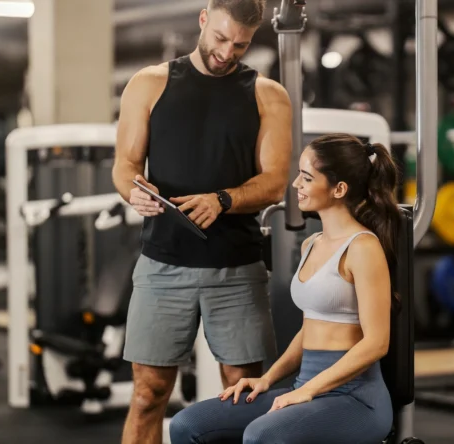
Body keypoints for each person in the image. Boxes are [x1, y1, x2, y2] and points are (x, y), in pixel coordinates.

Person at [111, 1, 292, 443]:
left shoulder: (267, 94)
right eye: (221, 39)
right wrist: (133, 190)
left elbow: (274, 183)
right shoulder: (149, 84)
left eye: (241, 45)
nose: (228, 52)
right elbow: (125, 165)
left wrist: (223, 200)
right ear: (203, 19)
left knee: (242, 397)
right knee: (148, 394)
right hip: (162, 264)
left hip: (237, 268)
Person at [168, 133, 403, 444]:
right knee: (187, 425)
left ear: (339, 189)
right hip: (306, 385)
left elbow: (376, 343)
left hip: (357, 398)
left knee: (261, 436)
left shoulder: (362, 248)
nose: (296, 185)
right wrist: (267, 379)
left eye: (306, 178)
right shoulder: (312, 243)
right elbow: (309, 331)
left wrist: (308, 390)